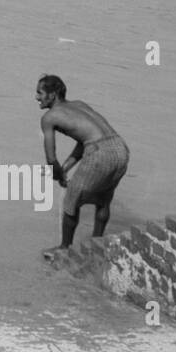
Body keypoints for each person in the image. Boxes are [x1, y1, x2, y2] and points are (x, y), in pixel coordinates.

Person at [36, 74, 129, 251]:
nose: (37, 97)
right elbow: (83, 140)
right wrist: (65, 168)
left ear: (53, 94)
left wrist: (58, 175)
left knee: (71, 201)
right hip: (121, 148)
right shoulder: (80, 105)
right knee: (104, 198)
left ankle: (64, 248)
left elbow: (50, 158)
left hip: (100, 153)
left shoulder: (49, 117)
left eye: (40, 93)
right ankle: (97, 243)